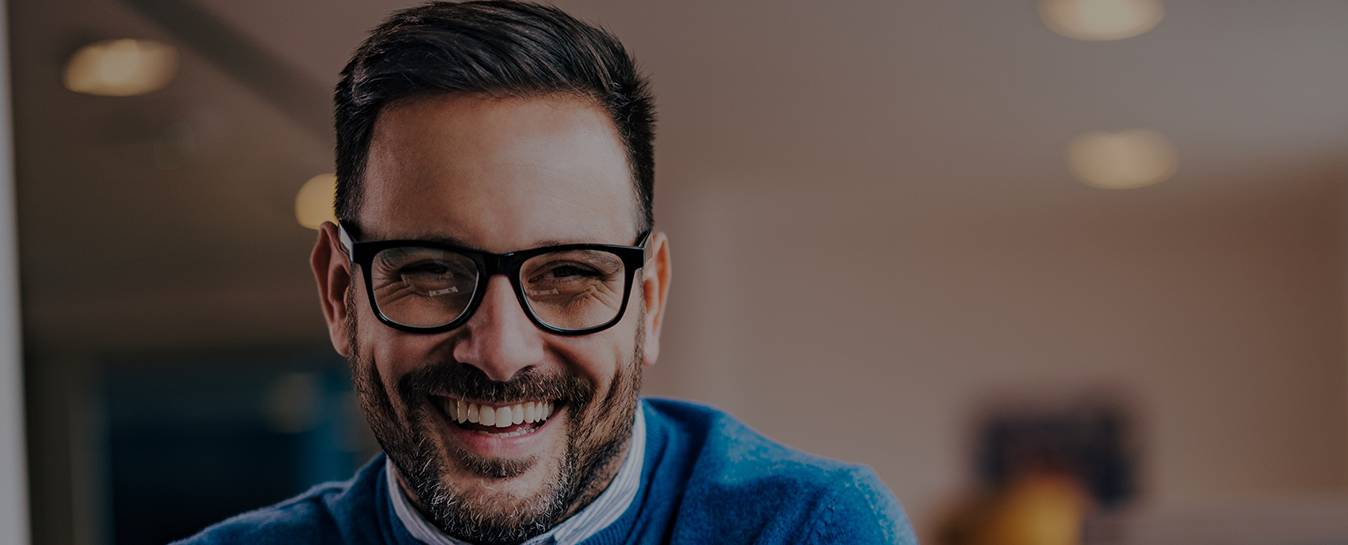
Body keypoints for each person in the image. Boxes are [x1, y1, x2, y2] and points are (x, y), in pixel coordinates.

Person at [177, 2, 914, 543]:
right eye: (432, 271)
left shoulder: (806, 530)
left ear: (648, 300)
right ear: (342, 292)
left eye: (568, 274)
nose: (499, 351)